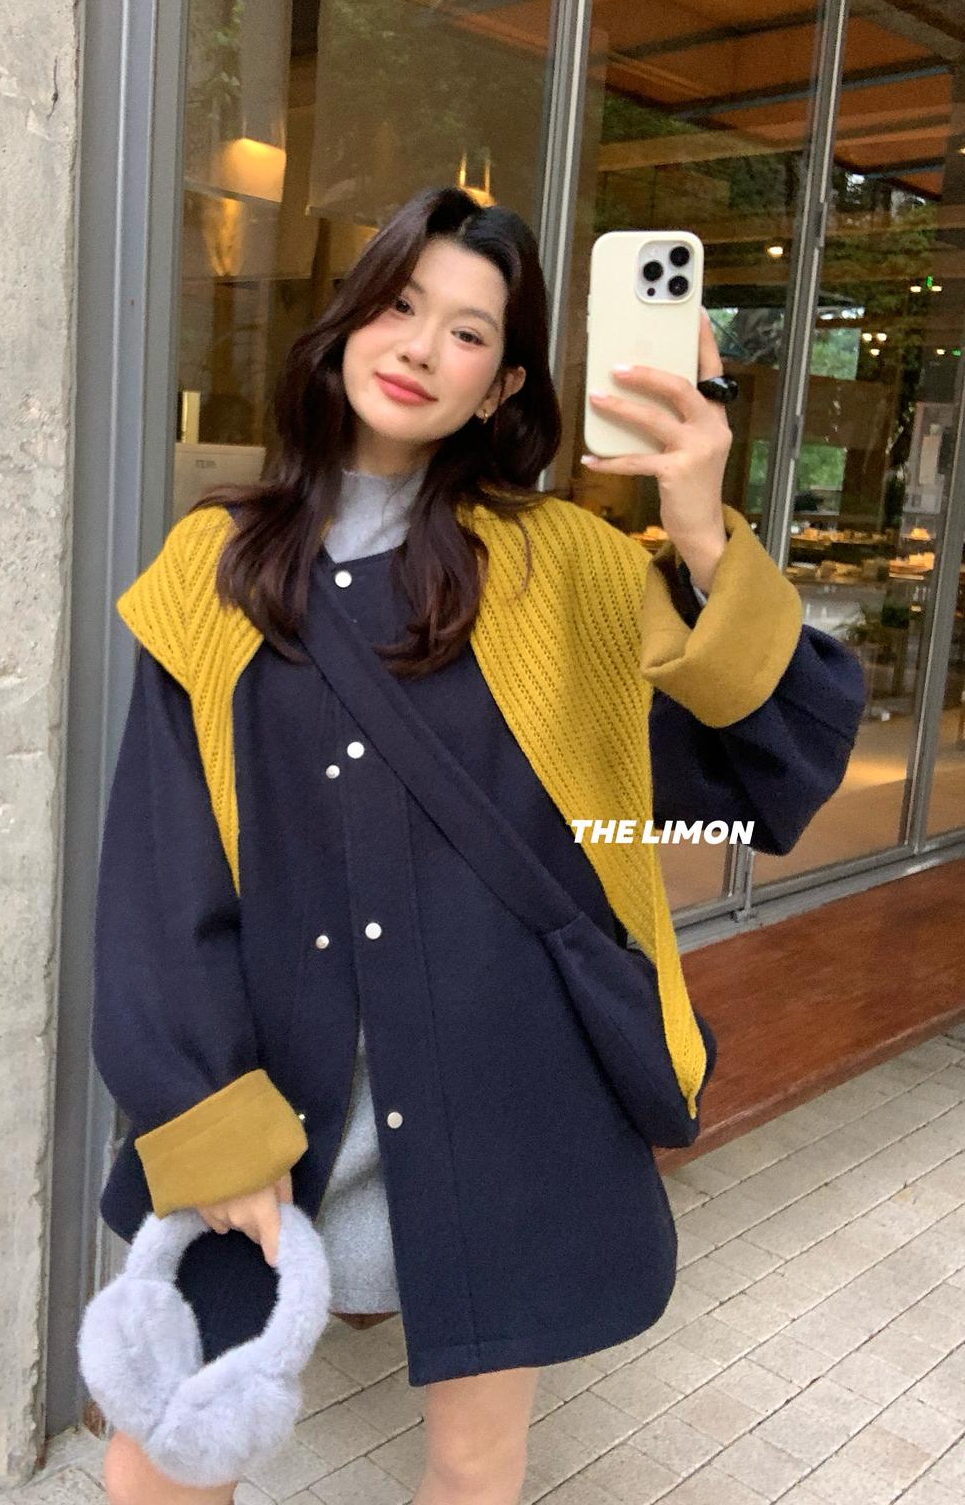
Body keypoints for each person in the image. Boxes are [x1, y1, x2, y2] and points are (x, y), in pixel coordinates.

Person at [91, 186, 866, 1505]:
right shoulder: (213, 567)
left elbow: (767, 774)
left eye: (467, 332)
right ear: (346, 323)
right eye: (400, 305)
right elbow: (163, 872)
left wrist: (697, 526)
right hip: (271, 1093)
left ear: (502, 385)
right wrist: (203, 1112)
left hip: (508, 1089)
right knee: (168, 1445)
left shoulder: (565, 566)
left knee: (473, 1462)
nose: (419, 347)